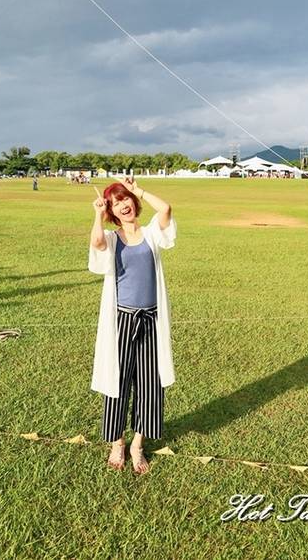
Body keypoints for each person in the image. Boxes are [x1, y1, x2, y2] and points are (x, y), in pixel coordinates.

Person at [88, 177, 176, 475]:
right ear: (111, 211)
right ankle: (117, 443)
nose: (123, 205)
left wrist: (138, 190)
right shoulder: (112, 238)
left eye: (125, 199)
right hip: (122, 320)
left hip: (151, 317)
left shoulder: (151, 234)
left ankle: (138, 444)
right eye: (116, 203)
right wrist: (98, 216)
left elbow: (165, 209)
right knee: (117, 381)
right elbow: (97, 243)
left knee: (150, 383)